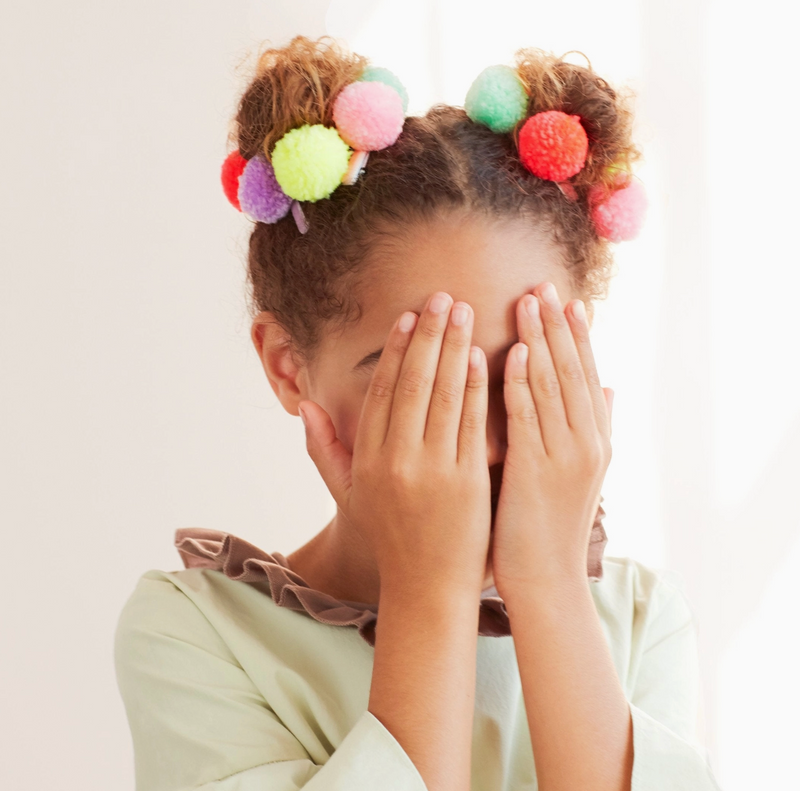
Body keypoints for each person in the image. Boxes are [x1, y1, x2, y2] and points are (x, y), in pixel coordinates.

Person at [114, 34, 722, 791]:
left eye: (527, 373)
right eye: (424, 381)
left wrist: (550, 585)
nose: (487, 439)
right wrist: (428, 588)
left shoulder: (638, 617)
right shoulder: (198, 632)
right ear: (288, 366)